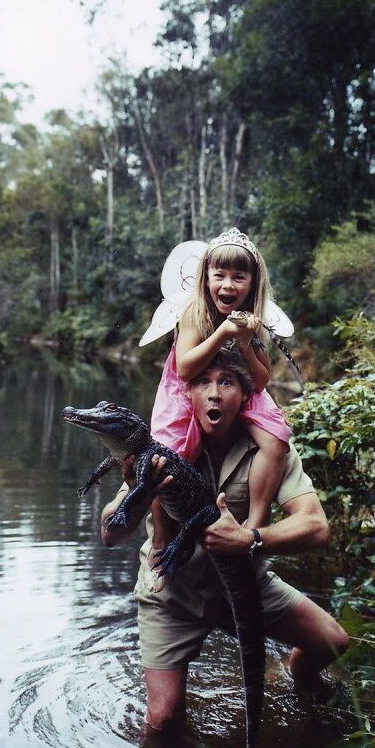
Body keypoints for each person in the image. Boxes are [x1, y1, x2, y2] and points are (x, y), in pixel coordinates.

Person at [101, 348, 349, 734]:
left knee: (332, 642)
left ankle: (289, 675)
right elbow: (109, 534)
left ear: (244, 395)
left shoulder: (271, 446)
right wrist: (138, 488)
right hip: (173, 594)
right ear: (188, 394)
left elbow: (316, 526)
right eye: (203, 382)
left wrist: (250, 537)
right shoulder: (164, 446)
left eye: (227, 382)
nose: (214, 393)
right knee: (163, 722)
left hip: (246, 582)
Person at [148, 228, 291, 588]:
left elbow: (260, 380)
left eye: (238, 277)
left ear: (252, 283)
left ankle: (254, 525)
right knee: (165, 452)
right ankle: (162, 536)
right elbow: (186, 367)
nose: (228, 285)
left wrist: (244, 341)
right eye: (220, 276)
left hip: (239, 387)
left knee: (275, 439)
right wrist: (223, 334)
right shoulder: (194, 312)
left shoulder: (254, 319)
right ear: (206, 278)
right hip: (190, 387)